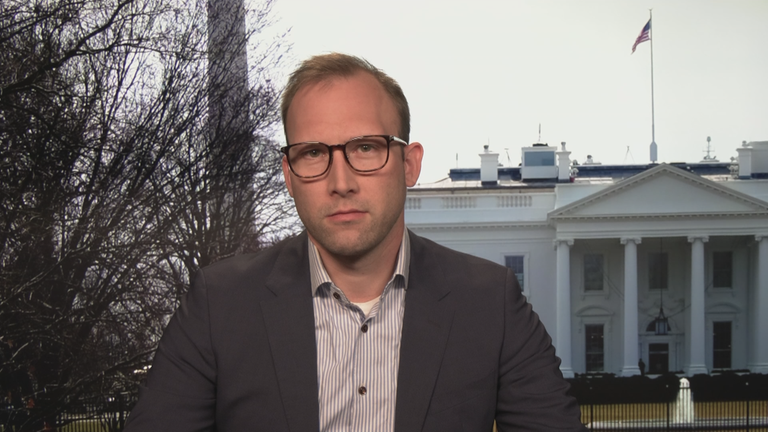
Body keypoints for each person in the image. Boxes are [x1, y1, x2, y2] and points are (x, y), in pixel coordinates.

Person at [124, 53, 585, 431]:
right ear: (288, 176)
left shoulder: (489, 302)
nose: (340, 181)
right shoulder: (218, 304)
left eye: (366, 148)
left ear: (409, 164)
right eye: (313, 153)